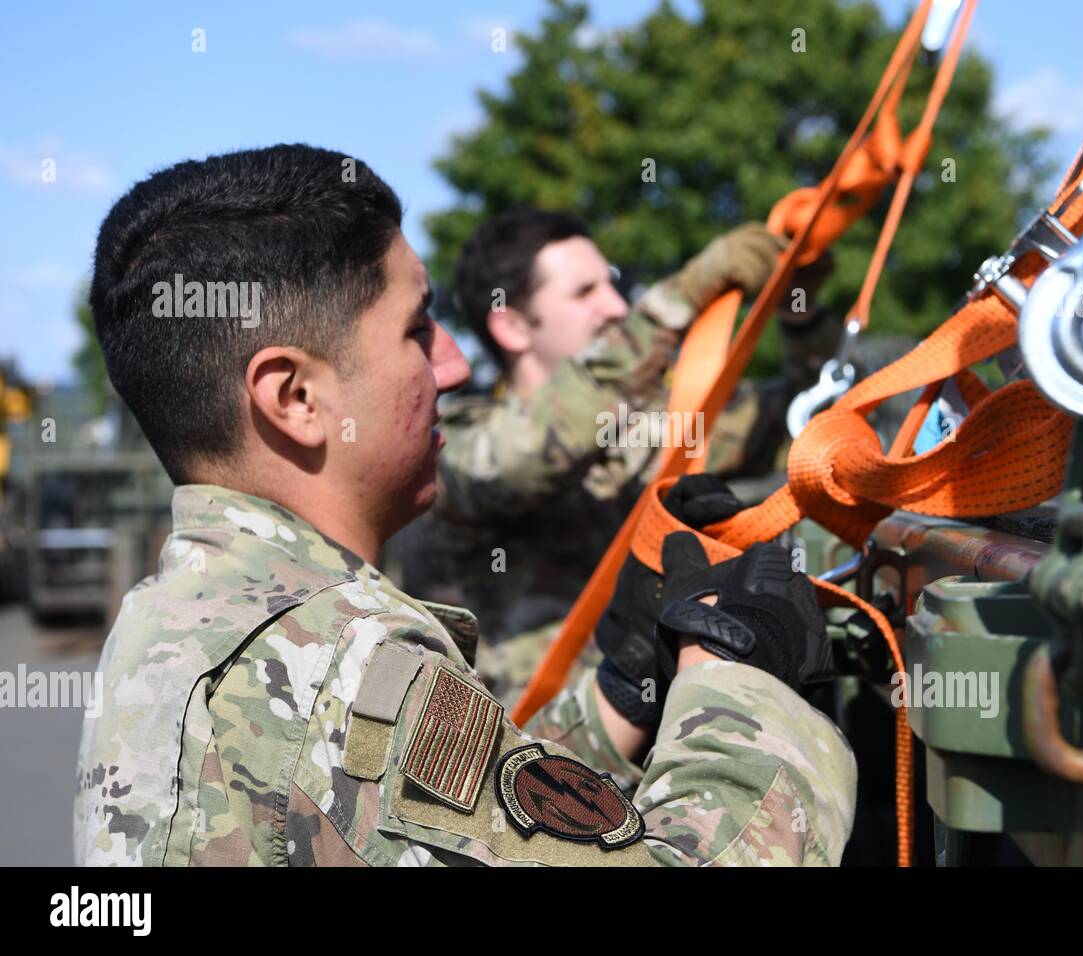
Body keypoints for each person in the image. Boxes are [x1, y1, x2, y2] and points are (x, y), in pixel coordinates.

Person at [73, 144, 856, 867]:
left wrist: (617, 695)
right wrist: (747, 687)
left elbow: (440, 817)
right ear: (297, 397)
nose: (451, 365)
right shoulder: (347, 668)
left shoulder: (175, 617)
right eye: (418, 330)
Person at [422, 207, 840, 705]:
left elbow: (810, 426)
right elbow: (535, 450)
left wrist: (797, 310)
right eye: (584, 292)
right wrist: (685, 294)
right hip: (537, 759)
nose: (617, 307)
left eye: (611, 285)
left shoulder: (651, 423)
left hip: (667, 745)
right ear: (511, 325)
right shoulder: (456, 442)